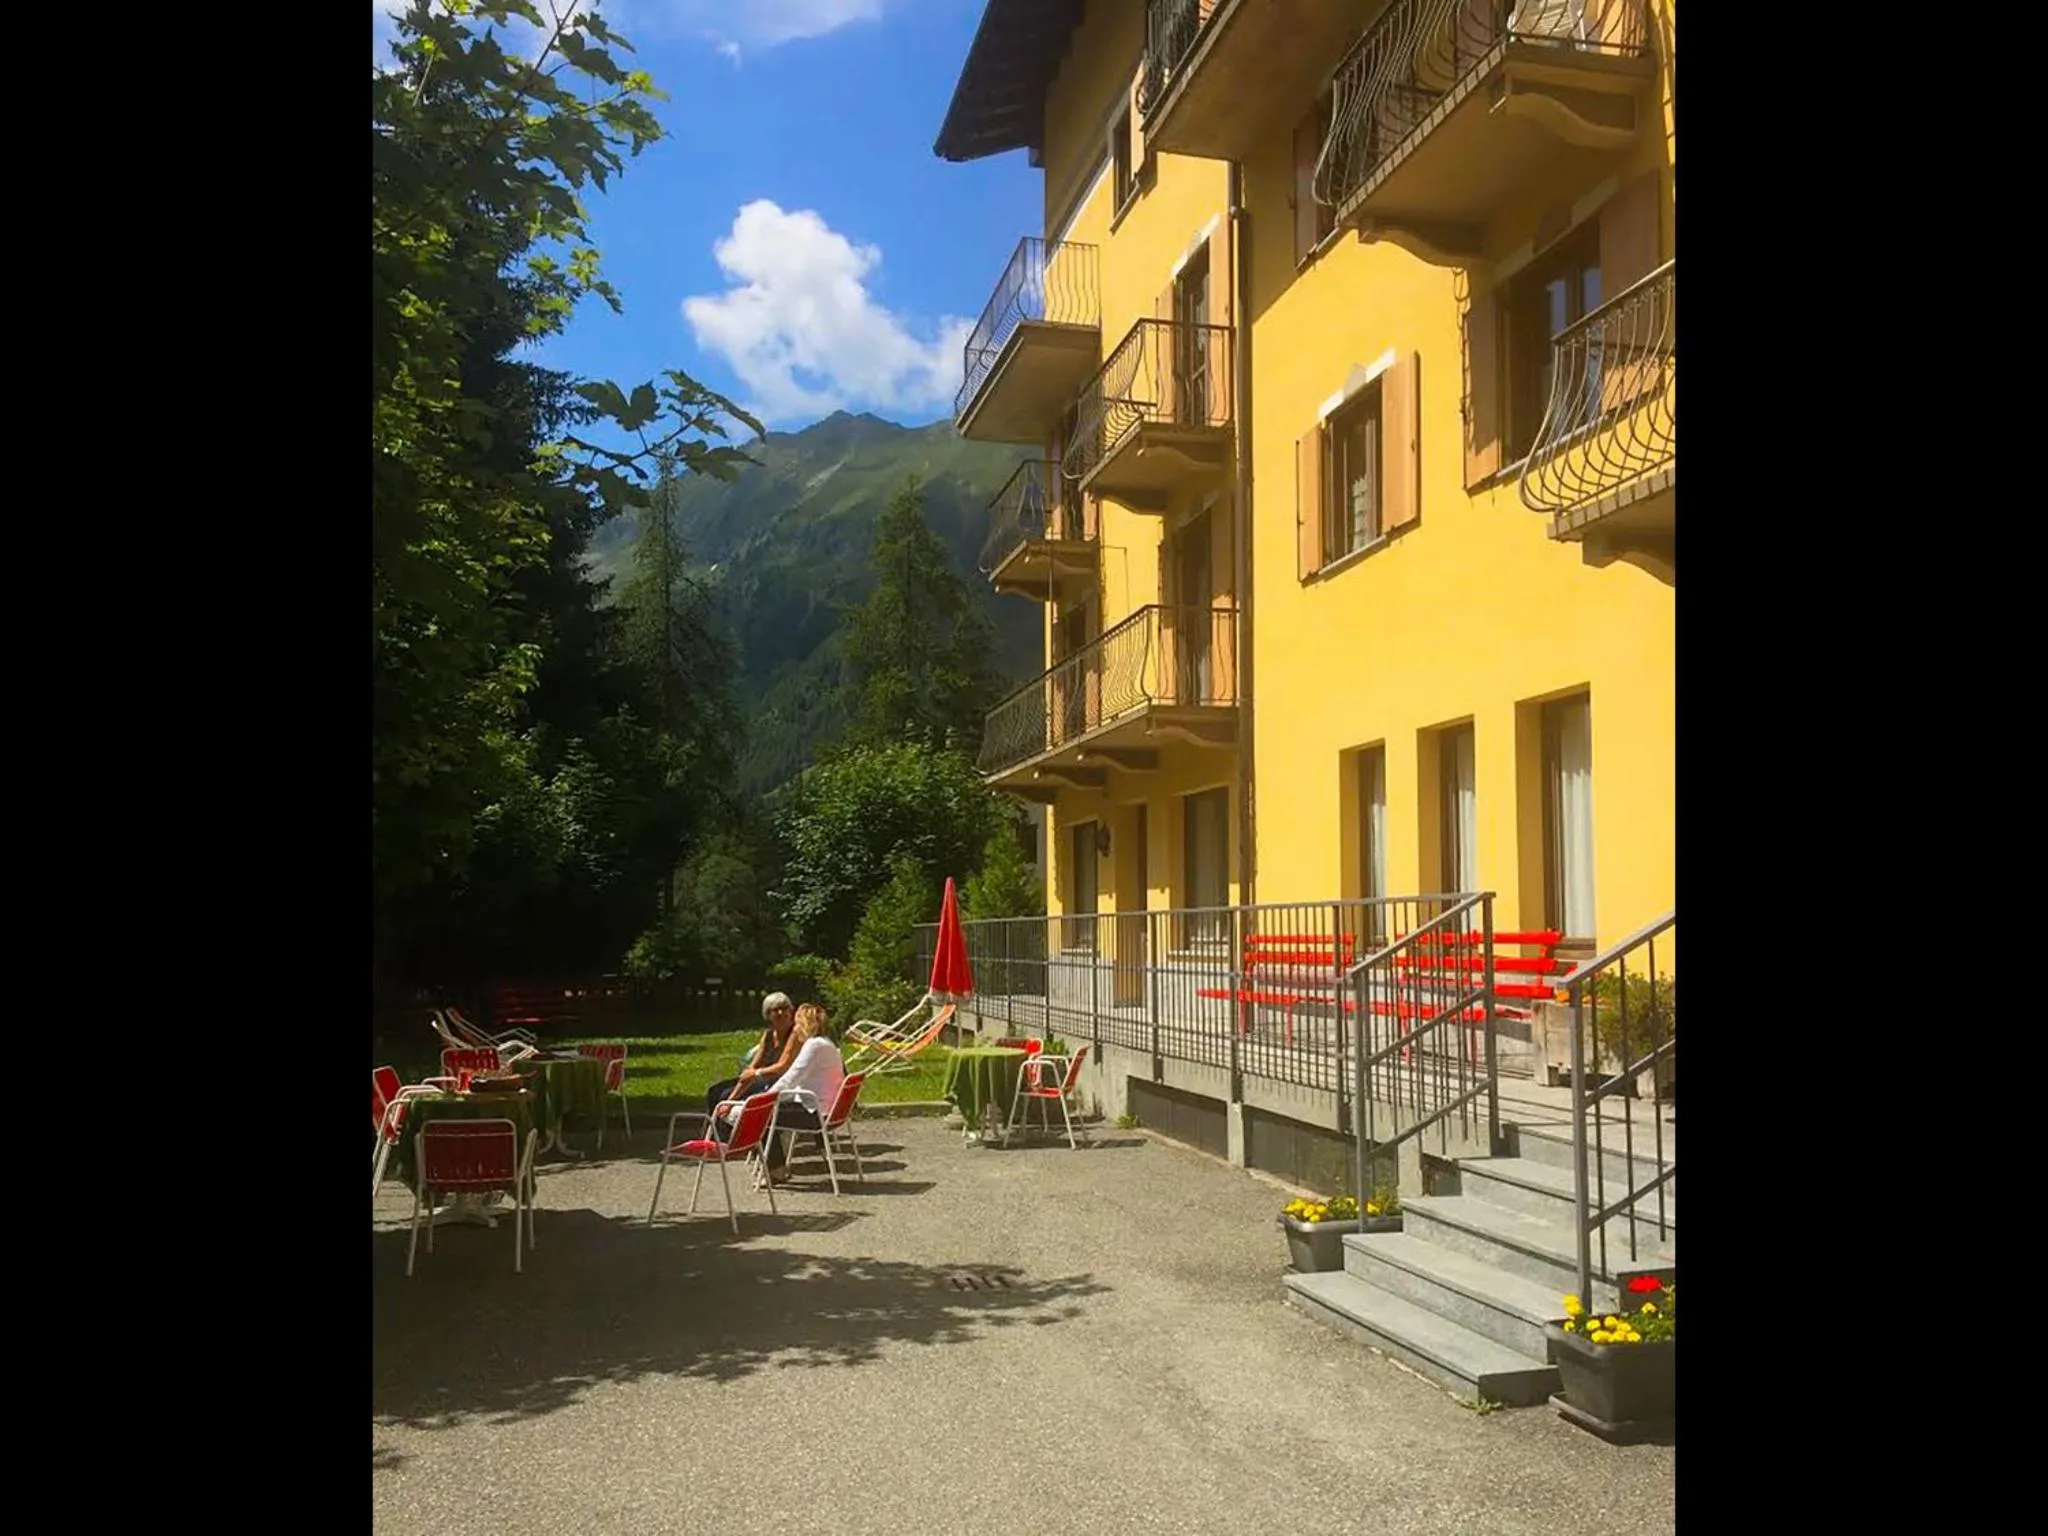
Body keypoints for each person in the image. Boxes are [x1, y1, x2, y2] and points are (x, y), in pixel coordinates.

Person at [754, 1003, 846, 1185]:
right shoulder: (827, 1043)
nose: (795, 1028)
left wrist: (764, 1100)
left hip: (816, 1112)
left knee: (763, 1115)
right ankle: (777, 1165)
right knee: (777, 1109)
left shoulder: (813, 1045)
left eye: (797, 1022)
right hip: (828, 1109)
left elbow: (791, 1077)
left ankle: (776, 1170)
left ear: (804, 1024)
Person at [705, 992, 797, 1121]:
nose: (781, 1013)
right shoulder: (769, 1035)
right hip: (761, 1078)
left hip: (778, 1083)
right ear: (768, 1015)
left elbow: (782, 1066)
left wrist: (731, 1099)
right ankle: (714, 1133)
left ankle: (729, 1135)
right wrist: (744, 1080)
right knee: (715, 1091)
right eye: (776, 1009)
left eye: (785, 1008)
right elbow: (753, 1066)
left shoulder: (795, 1033)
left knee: (725, 1096)